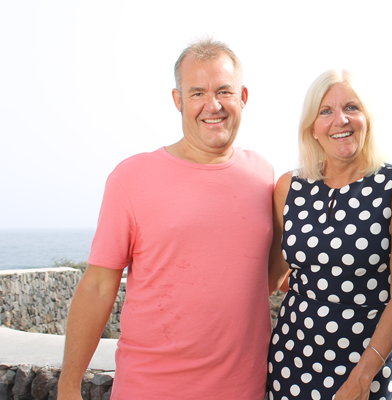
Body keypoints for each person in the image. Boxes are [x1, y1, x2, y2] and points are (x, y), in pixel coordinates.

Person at [57, 38, 274, 400]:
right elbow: (97, 287)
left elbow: (265, 274)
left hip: (245, 391)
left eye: (224, 91)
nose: (213, 105)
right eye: (197, 93)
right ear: (178, 100)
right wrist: (68, 386)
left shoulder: (264, 175)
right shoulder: (131, 178)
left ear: (243, 96)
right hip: (150, 389)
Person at [266, 69, 392, 400]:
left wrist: (362, 378)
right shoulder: (288, 187)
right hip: (289, 362)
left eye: (351, 107)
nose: (340, 120)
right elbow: (271, 278)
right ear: (312, 128)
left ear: (367, 119)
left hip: (364, 372)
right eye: (326, 111)